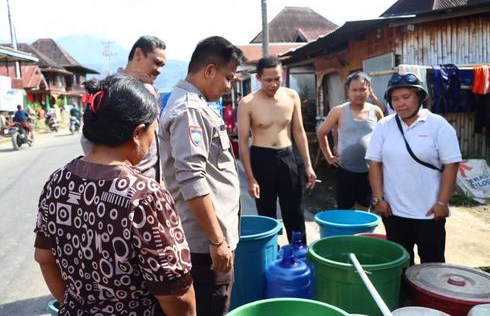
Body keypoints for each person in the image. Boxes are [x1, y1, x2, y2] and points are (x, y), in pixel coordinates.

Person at [34, 74, 196, 315]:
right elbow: (177, 296)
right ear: (138, 132)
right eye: (154, 130)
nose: (153, 141)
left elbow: (44, 258)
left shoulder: (57, 182)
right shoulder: (145, 197)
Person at [159, 36, 243, 316]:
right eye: (228, 77)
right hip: (204, 245)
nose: (229, 85)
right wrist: (218, 241)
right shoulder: (190, 110)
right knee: (210, 306)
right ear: (209, 70)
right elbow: (192, 180)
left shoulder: (195, 104)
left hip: (209, 239)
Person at [365, 72, 462, 264]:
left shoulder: (438, 125)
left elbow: (451, 165)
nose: (400, 103)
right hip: (394, 212)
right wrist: (378, 199)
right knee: (399, 264)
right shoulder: (384, 126)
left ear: (419, 97)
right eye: (395, 99)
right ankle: (404, 295)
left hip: (430, 213)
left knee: (431, 265)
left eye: (406, 97)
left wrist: (442, 203)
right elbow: (374, 164)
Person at [238, 55, 316, 244]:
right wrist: (250, 178)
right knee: (266, 212)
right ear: (258, 78)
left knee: (295, 209)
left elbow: (298, 131)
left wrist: (308, 166)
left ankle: (299, 251)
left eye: (277, 79)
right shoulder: (248, 103)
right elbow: (242, 141)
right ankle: (271, 251)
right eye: (268, 80)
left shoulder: (291, 96)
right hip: (262, 158)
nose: (274, 84)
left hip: (287, 156)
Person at [81, 35, 167, 182]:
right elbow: (90, 142)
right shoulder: (110, 91)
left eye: (162, 66)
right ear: (139, 54)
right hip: (121, 188)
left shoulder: (150, 91)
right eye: (156, 63)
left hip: (150, 187)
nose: (159, 70)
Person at [316, 71, 383, 210]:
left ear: (369, 90)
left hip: (369, 171)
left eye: (363, 89)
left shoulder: (376, 111)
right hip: (345, 170)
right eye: (355, 90)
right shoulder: (338, 111)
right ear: (348, 91)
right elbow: (322, 133)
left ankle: (363, 232)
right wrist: (328, 157)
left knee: (365, 210)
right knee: (345, 211)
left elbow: (384, 137)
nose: (359, 93)